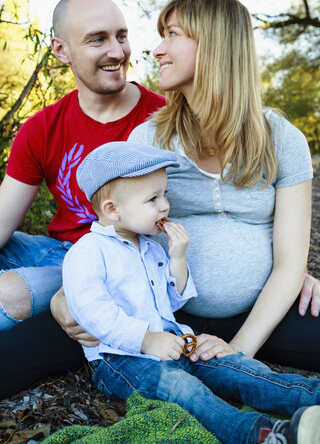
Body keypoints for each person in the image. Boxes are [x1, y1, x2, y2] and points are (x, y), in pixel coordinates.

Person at [62, 141, 320, 444]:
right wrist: (147, 340)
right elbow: (93, 311)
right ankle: (262, 435)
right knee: (183, 389)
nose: (165, 206)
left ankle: (310, 398)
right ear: (112, 209)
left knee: (234, 369)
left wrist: (177, 258)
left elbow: (173, 300)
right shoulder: (88, 252)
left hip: (171, 343)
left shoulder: (148, 247)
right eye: (153, 199)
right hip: (120, 359)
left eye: (164, 194)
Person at [128, 0, 320, 371]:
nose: (157, 49)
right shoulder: (147, 141)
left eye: (172, 34)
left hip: (265, 317)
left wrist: (238, 351)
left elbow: (289, 263)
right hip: (167, 320)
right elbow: (123, 241)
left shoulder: (283, 139)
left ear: (214, 44)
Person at [0, 0, 165, 399]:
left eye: (122, 35)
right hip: (57, 251)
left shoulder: (162, 120)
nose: (117, 51)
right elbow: (4, 219)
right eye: (98, 39)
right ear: (61, 49)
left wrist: (279, 268)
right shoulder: (42, 128)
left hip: (117, 260)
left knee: (10, 292)